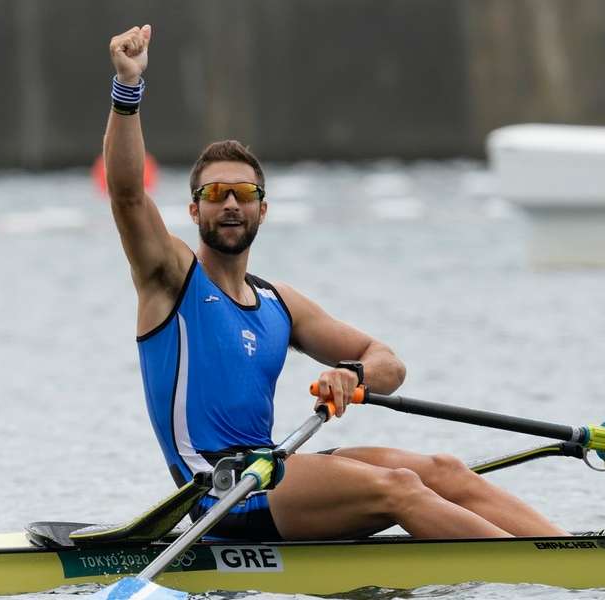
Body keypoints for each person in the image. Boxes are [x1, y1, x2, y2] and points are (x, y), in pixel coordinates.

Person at [105, 23, 569, 541]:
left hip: (270, 472)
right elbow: (126, 197)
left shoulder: (279, 304)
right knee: (399, 486)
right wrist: (128, 90)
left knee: (443, 471)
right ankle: (548, 580)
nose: (230, 203)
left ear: (263, 208)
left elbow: (387, 361)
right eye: (215, 193)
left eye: (243, 192)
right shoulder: (169, 279)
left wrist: (352, 374)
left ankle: (571, 552)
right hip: (219, 493)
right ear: (194, 209)